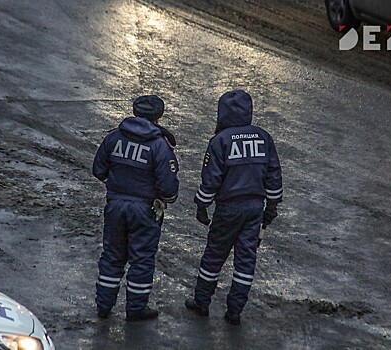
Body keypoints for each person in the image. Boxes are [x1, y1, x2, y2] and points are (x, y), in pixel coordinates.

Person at [185, 89, 282, 325]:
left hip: (228, 209)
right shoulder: (263, 137)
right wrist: (271, 206)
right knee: (246, 260)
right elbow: (274, 175)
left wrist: (201, 205)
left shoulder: (221, 141)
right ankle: (235, 310)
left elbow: (211, 180)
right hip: (254, 209)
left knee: (215, 255)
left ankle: (202, 302)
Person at [93, 95, 179, 321]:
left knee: (112, 255)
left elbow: (98, 170)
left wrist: (119, 186)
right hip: (144, 209)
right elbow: (169, 188)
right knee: (141, 259)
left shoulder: (114, 137)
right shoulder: (159, 145)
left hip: (115, 206)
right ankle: (136, 309)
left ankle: (104, 306)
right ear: (158, 116)